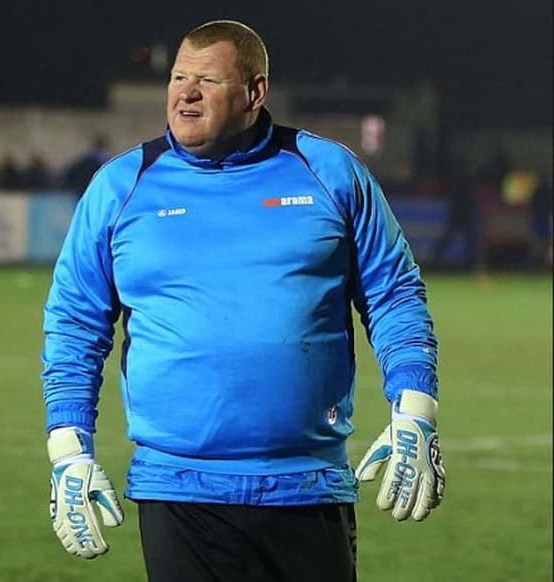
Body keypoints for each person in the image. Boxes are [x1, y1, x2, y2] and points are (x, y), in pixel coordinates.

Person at [42, 20, 446, 582]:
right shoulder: (121, 187)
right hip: (178, 492)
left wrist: (416, 409)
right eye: (179, 76)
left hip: (307, 488)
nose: (185, 92)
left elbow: (395, 294)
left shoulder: (330, 172)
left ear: (255, 93)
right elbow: (74, 323)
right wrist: (68, 448)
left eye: (207, 80)